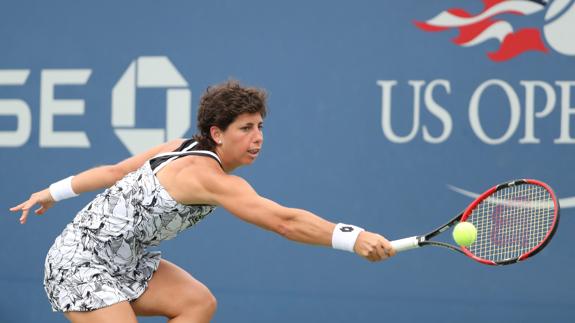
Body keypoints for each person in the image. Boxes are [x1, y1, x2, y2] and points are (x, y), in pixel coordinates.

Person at [10, 80, 395, 323]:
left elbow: (114, 173)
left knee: (197, 303)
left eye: (260, 126)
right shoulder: (207, 177)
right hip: (78, 263)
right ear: (217, 132)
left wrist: (52, 192)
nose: (258, 137)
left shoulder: (177, 147)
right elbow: (283, 221)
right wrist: (353, 237)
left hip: (127, 260)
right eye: (245, 128)